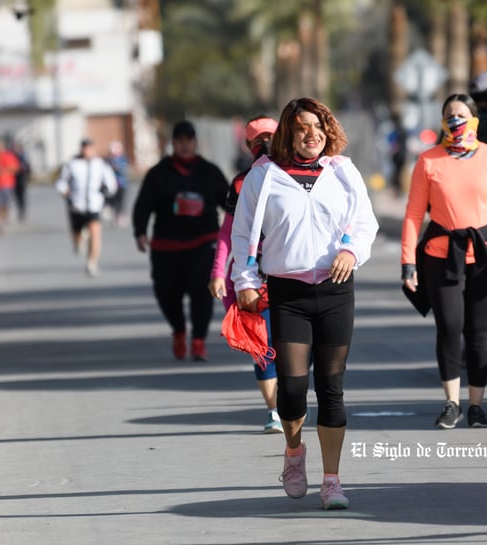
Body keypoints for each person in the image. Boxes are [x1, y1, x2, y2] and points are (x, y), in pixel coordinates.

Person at [231, 98, 378, 510]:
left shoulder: (343, 172)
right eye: (301, 128)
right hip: (288, 294)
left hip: (335, 289)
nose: (311, 134)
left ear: (327, 130)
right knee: (293, 390)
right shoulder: (265, 176)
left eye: (317, 126)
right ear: (287, 134)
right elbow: (243, 235)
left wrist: (351, 250)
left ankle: (332, 481)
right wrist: (244, 280)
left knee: (332, 389)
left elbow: (365, 223)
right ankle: (294, 451)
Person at [401, 93, 487, 430]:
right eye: (449, 115)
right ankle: (452, 403)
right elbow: (413, 214)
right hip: (441, 256)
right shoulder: (429, 161)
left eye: (461, 114)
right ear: (442, 122)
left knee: (478, 332)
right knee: (449, 328)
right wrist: (408, 262)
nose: (455, 121)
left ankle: (477, 405)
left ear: (474, 119)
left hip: (484, 256)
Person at [209, 115, 282, 433]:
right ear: (249, 146)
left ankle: (288, 400)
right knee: (262, 348)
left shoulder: (295, 175)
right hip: (253, 279)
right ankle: (275, 411)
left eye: (270, 138)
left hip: (291, 275)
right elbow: (227, 232)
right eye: (258, 140)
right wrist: (217, 271)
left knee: (293, 347)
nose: (264, 145)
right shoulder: (241, 183)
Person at [132, 120, 229, 361]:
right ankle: (178, 329)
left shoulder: (210, 172)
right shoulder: (158, 174)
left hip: (202, 243)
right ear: (173, 143)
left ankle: (198, 341)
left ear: (195, 142)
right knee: (166, 294)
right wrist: (140, 231)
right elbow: (143, 206)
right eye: (179, 141)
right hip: (167, 245)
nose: (184, 145)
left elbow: (230, 205)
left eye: (189, 140)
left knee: (202, 294)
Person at [55, 138, 118, 277]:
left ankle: (92, 263)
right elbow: (61, 183)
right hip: (77, 205)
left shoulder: (100, 164)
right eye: (84, 148)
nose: (87, 151)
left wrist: (107, 192)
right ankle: (79, 241)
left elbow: (111, 183)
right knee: (77, 235)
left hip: (94, 205)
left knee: (95, 234)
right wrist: (65, 192)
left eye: (89, 148)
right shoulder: (71, 164)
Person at [105, 140, 130, 227]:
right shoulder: (108, 160)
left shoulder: (123, 159)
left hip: (121, 184)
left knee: (120, 201)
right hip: (111, 185)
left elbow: (123, 168)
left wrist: (116, 167)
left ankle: (119, 216)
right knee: (111, 199)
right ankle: (111, 211)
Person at [11, 141, 31, 222]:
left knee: (21, 195)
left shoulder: (23, 155)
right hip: (13, 178)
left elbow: (28, 166)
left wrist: (27, 174)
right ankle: (19, 209)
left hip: (21, 177)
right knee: (16, 196)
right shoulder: (11, 156)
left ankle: (22, 210)